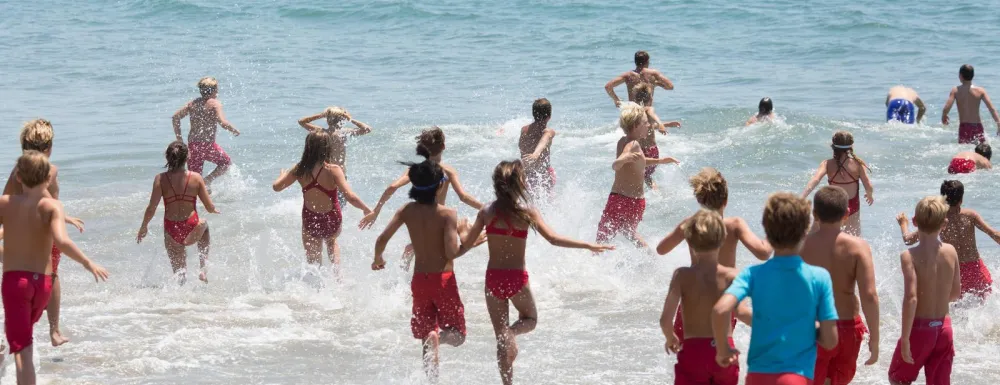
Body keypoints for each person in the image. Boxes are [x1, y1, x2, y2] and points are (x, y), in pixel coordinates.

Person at [457, 160, 612, 385]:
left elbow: (464, 247)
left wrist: (461, 233)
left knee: (500, 339)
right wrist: (588, 245)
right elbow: (554, 239)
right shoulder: (527, 212)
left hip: (493, 280)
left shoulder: (486, 212)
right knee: (529, 320)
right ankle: (511, 333)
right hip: (517, 279)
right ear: (519, 183)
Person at [0, 151, 109, 385]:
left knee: (22, 351)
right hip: (43, 285)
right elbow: (62, 241)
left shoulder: (5, 203)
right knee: (21, 335)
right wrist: (87, 263)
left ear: (18, 177)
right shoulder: (53, 206)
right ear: (48, 179)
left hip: (17, 284)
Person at [371, 159, 483, 382]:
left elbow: (382, 238)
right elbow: (452, 253)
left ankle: (431, 379)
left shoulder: (406, 210)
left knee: (426, 334)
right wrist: (472, 240)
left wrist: (378, 259)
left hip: (419, 281)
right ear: (441, 186)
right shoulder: (447, 214)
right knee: (458, 335)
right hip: (443, 279)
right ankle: (438, 340)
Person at [712, 192, 839, 385]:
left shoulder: (751, 274)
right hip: (796, 376)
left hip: (757, 377)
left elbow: (722, 309)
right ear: (805, 231)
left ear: (766, 230)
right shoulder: (819, 278)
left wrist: (723, 349)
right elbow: (830, 340)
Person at [656, 167, 771, 340]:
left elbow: (661, 249)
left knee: (688, 353)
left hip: (694, 298)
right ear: (726, 200)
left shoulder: (690, 224)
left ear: (699, 200)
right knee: (718, 354)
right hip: (724, 297)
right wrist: (773, 234)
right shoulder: (735, 225)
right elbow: (763, 253)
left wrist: (685, 228)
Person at [2, 119, 85, 347]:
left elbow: (7, 198)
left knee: (18, 277)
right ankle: (54, 331)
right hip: (46, 231)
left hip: (22, 231)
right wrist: (64, 217)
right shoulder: (51, 170)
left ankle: (16, 328)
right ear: (48, 147)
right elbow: (44, 196)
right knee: (51, 276)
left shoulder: (16, 171)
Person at [359, 127, 483, 269]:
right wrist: (486, 208)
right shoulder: (447, 170)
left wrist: (376, 211)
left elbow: (392, 187)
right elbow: (463, 197)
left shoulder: (416, 170)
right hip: (439, 217)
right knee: (446, 250)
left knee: (421, 246)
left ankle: (404, 275)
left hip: (418, 216)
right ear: (443, 146)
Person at [800, 186, 880, 385]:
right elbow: (869, 295)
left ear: (814, 214)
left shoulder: (800, 246)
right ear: (847, 213)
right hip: (848, 329)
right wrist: (875, 339)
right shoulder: (858, 247)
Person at [661, 209, 751, 385]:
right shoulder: (732, 276)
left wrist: (671, 338)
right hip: (724, 348)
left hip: (693, 354)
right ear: (722, 240)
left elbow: (665, 320)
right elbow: (742, 313)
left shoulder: (681, 275)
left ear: (691, 243)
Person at [273, 131, 372, 270]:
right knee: (332, 243)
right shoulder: (333, 169)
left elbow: (277, 187)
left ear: (308, 147)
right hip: (332, 217)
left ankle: (316, 286)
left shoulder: (300, 169)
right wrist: (366, 209)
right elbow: (350, 196)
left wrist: (282, 175)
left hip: (310, 218)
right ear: (327, 148)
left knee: (313, 262)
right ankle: (338, 279)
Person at [888, 196, 960, 385]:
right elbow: (955, 293)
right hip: (944, 329)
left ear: (914, 221)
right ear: (944, 224)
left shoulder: (909, 255)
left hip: (919, 330)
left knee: (898, 379)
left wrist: (905, 339)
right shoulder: (951, 251)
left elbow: (911, 298)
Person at [897, 180, 1000, 299]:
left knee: (956, 309)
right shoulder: (970, 215)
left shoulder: (939, 219)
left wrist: (903, 224)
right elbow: (994, 234)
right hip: (977, 272)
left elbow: (908, 240)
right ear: (961, 200)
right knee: (985, 308)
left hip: (953, 273)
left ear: (943, 199)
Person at [596, 103, 679, 247]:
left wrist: (660, 160)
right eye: (645, 123)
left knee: (603, 236)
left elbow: (637, 161)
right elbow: (617, 164)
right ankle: (651, 260)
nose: (648, 126)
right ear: (635, 126)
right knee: (630, 232)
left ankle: (594, 262)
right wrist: (621, 159)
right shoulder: (633, 144)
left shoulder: (624, 141)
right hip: (636, 202)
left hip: (620, 200)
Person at [137, 141, 218, 283]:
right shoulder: (196, 178)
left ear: (167, 158)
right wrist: (214, 209)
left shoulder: (160, 179)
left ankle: (180, 300)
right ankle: (203, 268)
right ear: (187, 157)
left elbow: (151, 208)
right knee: (205, 226)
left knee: (180, 274)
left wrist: (144, 226)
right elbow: (209, 207)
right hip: (192, 225)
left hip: (171, 229)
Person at [172, 77, 240, 189]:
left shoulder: (193, 104)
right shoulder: (214, 104)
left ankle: (194, 201)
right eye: (217, 89)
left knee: (193, 180)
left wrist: (179, 139)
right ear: (214, 90)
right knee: (226, 164)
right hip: (208, 145)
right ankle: (207, 181)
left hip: (193, 146)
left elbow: (175, 117)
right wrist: (234, 130)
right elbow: (223, 123)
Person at [802, 131, 874, 236]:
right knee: (853, 238)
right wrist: (869, 195)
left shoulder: (827, 164)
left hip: (832, 204)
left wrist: (802, 197)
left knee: (813, 235)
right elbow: (868, 185)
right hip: (851, 206)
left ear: (833, 146)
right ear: (851, 146)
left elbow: (815, 180)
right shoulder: (858, 164)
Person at [633, 84, 682, 190]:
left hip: (642, 151)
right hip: (652, 151)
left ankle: (649, 196)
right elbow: (651, 120)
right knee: (645, 177)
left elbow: (649, 124)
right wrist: (661, 124)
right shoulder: (648, 109)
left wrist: (664, 124)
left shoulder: (636, 112)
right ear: (651, 97)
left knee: (641, 177)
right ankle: (657, 194)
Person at [297, 106, 374, 168]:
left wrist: (321, 115)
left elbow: (301, 121)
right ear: (343, 119)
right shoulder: (344, 132)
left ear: (327, 119)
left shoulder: (321, 132)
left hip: (323, 171)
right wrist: (350, 119)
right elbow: (367, 129)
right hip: (339, 170)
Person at [942, 64, 999, 144]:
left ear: (960, 76)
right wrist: (998, 123)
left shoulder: (955, 91)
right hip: (977, 126)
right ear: (973, 75)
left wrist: (944, 115)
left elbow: (946, 107)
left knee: (965, 152)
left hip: (964, 127)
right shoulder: (980, 91)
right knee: (981, 150)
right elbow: (992, 109)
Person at [604, 50, 675, 108]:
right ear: (647, 61)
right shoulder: (653, 73)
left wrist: (616, 99)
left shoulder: (628, 75)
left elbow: (608, 86)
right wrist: (657, 84)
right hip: (646, 111)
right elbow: (670, 86)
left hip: (632, 111)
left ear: (635, 62)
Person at [518, 99, 558, 201]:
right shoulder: (549, 131)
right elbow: (544, 139)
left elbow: (522, 148)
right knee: (546, 204)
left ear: (533, 114)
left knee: (529, 205)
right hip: (543, 175)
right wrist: (536, 153)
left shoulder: (524, 130)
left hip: (525, 175)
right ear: (549, 116)